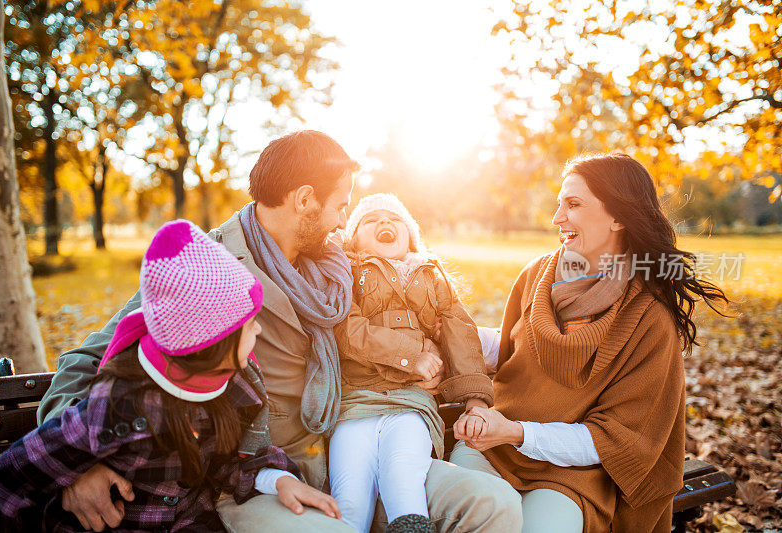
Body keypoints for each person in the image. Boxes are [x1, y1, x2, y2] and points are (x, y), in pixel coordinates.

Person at [37, 131, 522, 532]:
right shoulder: (209, 264)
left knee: (492, 504)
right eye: (340, 207)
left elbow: (423, 318)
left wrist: (510, 348)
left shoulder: (335, 269)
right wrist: (73, 468)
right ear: (304, 200)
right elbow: (92, 356)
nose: (341, 223)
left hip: (354, 447)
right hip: (258, 476)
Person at [0, 219, 339, 531]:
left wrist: (276, 478)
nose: (258, 332)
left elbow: (230, 461)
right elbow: (12, 477)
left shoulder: (238, 385)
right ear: (210, 344)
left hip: (188, 521)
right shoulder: (120, 405)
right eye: (248, 325)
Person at [450, 152, 729, 532]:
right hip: (491, 448)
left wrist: (517, 432)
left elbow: (613, 440)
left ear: (618, 217)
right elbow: (514, 350)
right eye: (559, 204)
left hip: (574, 474)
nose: (557, 218)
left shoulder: (649, 316)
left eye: (574, 204)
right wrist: (440, 338)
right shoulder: (536, 275)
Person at [331, 194, 494, 533]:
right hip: (357, 399)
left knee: (403, 475)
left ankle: (410, 524)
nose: (384, 223)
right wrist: (413, 355)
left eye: (394, 219)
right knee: (349, 492)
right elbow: (347, 329)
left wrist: (475, 400)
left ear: (411, 233)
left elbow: (460, 336)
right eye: (371, 220)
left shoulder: (433, 277)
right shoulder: (348, 270)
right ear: (353, 236)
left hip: (411, 403)